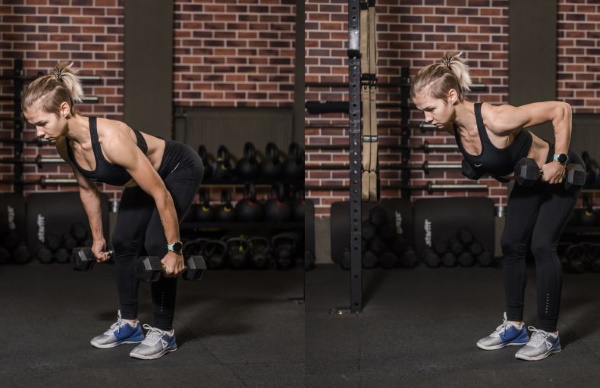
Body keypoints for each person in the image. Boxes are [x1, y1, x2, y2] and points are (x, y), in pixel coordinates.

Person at [22, 62, 203, 360]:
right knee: (123, 242)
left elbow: (159, 192)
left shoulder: (113, 139)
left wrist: (175, 249)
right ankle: (129, 324)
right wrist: (97, 239)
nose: (39, 133)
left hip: (178, 168)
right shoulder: (64, 145)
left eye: (42, 123)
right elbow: (87, 190)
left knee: (156, 244)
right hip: (144, 179)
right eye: (34, 126)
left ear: (64, 109)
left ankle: (164, 332)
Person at [410, 52, 584, 361]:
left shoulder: (496, 118)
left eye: (429, 109)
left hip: (559, 175)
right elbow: (505, 168)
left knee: (542, 245)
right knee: (511, 243)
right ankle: (515, 326)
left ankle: (549, 334)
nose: (426, 118)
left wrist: (559, 160)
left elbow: (562, 109)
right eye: (421, 111)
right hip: (531, 180)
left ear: (451, 96)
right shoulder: (454, 128)